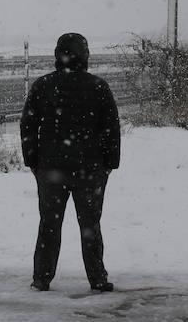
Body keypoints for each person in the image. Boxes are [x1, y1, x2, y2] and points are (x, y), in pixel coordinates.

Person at [20, 33, 121, 293]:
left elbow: (28, 125)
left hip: (51, 168)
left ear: (58, 55)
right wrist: (110, 162)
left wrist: (32, 161)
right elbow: (110, 128)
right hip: (90, 168)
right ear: (85, 56)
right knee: (90, 225)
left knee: (49, 225)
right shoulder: (98, 86)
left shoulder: (43, 86)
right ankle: (97, 278)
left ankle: (41, 279)